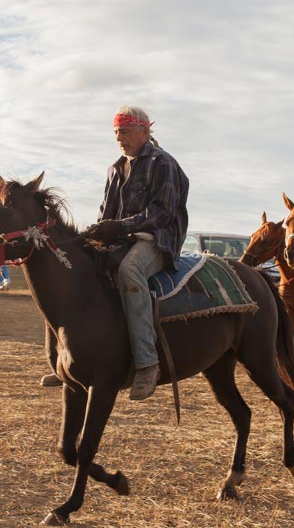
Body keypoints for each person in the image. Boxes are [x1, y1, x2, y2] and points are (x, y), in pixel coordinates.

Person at [82, 105, 190, 400]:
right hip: (122, 238)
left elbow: (163, 212)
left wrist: (119, 227)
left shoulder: (162, 162)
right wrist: (96, 231)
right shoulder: (115, 168)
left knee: (130, 271)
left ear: (144, 131)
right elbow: (107, 213)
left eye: (125, 131)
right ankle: (74, 356)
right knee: (77, 267)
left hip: (156, 240)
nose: (119, 138)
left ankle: (146, 364)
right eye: (116, 132)